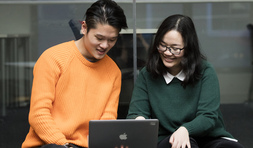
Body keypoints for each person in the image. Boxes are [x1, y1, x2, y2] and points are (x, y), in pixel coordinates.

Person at [127, 14, 244, 148]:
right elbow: (136, 113)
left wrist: (185, 129)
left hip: (207, 137)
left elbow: (208, 116)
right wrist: (141, 121)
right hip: (168, 139)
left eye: (175, 48)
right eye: (162, 45)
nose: (167, 52)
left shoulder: (205, 71)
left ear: (189, 48)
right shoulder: (147, 74)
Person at [22, 0, 128, 148]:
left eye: (112, 40)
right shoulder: (53, 58)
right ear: (84, 28)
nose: (105, 45)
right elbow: (38, 114)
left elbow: (107, 120)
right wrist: (65, 145)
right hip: (49, 144)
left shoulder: (113, 71)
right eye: (99, 38)